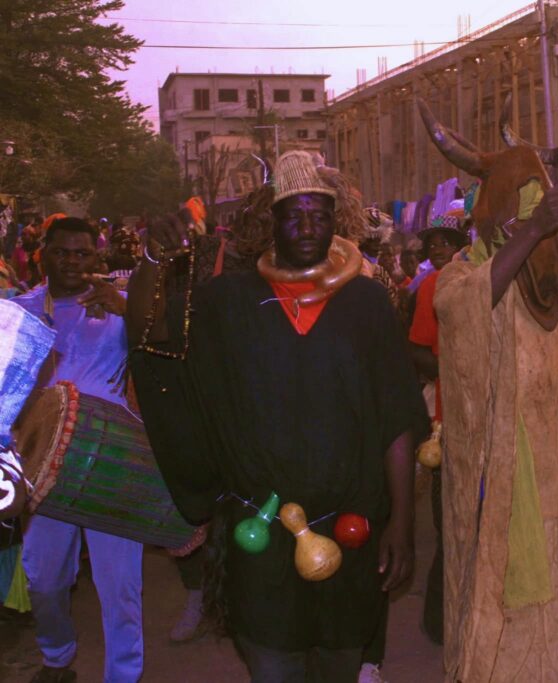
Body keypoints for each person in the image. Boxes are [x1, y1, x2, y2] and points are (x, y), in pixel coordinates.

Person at [130, 151, 427, 682]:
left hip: (350, 524)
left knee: (340, 658)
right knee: (273, 663)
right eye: (295, 213)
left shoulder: (366, 302)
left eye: (320, 214)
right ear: (274, 222)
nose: (308, 226)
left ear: (337, 222)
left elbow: (397, 416)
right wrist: (153, 262)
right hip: (259, 529)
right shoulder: (228, 302)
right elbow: (155, 342)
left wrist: (401, 522)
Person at [14, 217, 144, 683]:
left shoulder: (118, 308)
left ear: (98, 258)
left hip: (109, 462)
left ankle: (123, 675)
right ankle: (57, 655)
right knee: (44, 578)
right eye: (62, 252)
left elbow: (165, 347)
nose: (71, 261)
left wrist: (129, 309)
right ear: (42, 254)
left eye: (82, 253)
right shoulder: (18, 309)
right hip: (44, 468)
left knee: (120, 586)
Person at [407, 207, 470, 647]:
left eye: (445, 242)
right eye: (432, 243)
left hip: (494, 426)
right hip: (448, 427)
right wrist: (456, 367)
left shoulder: (487, 276)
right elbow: (414, 350)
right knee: (449, 526)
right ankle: (440, 621)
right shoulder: (428, 285)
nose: (437, 249)